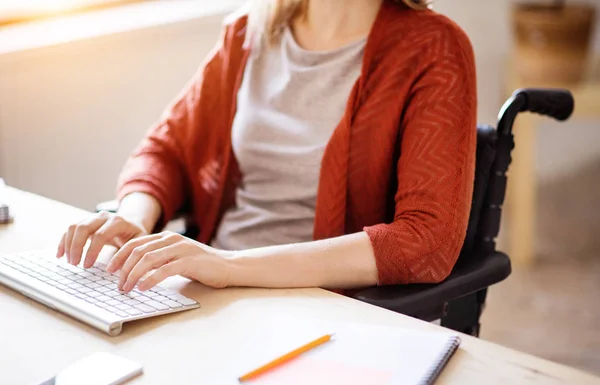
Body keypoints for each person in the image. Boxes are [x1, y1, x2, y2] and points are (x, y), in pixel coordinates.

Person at [57, 0, 477, 294]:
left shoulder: (434, 48)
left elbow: (426, 243)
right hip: (206, 283)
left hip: (320, 306)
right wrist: (135, 217)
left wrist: (230, 267)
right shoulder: (249, 30)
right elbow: (166, 151)